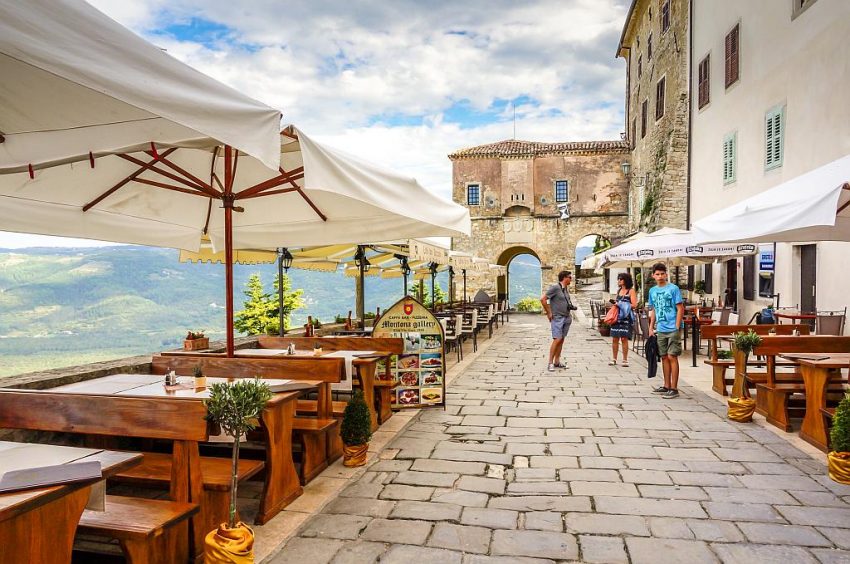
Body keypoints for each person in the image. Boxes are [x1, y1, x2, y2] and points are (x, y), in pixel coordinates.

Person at [646, 262, 684, 399]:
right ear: (653, 276)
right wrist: (651, 327)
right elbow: (654, 309)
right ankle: (666, 385)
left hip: (672, 327)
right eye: (657, 274)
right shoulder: (652, 291)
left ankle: (674, 388)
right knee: (663, 357)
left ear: (666, 274)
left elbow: (680, 308)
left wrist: (677, 325)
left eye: (662, 273)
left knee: (672, 356)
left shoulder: (673, 289)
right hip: (661, 328)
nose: (660, 276)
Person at [540, 270, 576, 372]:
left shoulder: (565, 289)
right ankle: (550, 363)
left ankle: (557, 361)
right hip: (558, 317)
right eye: (570, 277)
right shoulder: (555, 288)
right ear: (564, 277)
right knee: (557, 339)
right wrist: (549, 313)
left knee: (562, 340)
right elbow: (543, 299)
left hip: (566, 317)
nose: (571, 279)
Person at [609, 272, 638, 367]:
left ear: (626, 280)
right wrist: (616, 303)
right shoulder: (618, 291)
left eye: (620, 279)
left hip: (626, 318)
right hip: (617, 317)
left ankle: (625, 359)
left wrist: (621, 304)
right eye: (618, 279)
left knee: (624, 338)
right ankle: (614, 358)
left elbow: (634, 305)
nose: (619, 281)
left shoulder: (631, 291)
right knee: (615, 338)